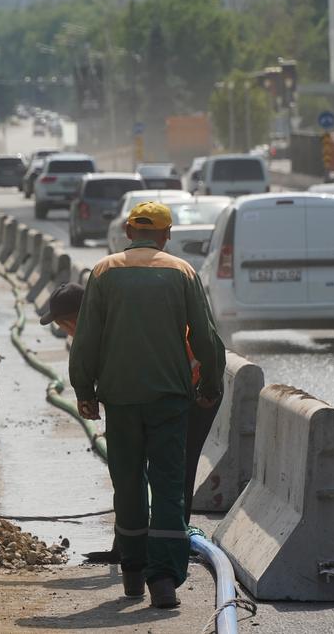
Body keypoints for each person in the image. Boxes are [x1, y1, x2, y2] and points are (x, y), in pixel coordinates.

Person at [68, 202, 225, 610]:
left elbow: (86, 338)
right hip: (169, 399)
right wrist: (210, 383)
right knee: (168, 487)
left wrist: (84, 390)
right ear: (165, 235)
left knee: (128, 483)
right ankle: (164, 581)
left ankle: (133, 574)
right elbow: (206, 338)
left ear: (127, 230)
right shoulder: (182, 272)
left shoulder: (103, 272)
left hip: (119, 398)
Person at [39, 282, 223, 553]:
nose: (66, 333)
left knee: (177, 465)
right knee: (136, 468)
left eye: (64, 325)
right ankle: (135, 544)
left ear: (77, 318)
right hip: (166, 390)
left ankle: (174, 542)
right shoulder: (106, 323)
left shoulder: (113, 326)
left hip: (198, 390)